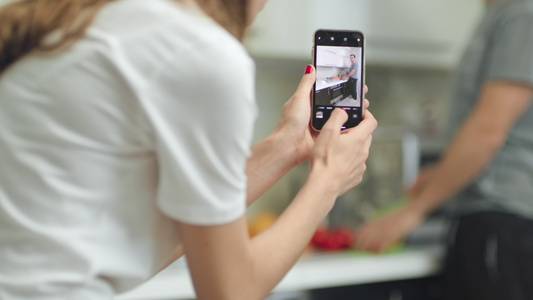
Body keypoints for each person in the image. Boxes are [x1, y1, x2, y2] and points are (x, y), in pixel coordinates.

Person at [0, 0, 377, 299]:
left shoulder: (91, 20)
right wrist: (327, 179)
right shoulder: (200, 53)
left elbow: (144, 238)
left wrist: (285, 147)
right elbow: (231, 291)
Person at [354, 0, 533, 299]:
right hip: (493, 221)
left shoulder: (521, 13)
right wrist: (441, 172)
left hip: (502, 224)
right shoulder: (503, 13)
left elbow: (489, 130)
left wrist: (412, 212)